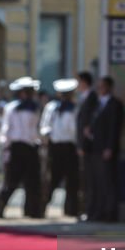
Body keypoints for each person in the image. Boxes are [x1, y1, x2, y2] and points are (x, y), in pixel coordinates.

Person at [0, 77, 43, 218]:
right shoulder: (11, 108)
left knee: (33, 181)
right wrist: (6, 148)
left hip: (30, 147)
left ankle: (32, 210)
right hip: (17, 147)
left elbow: (36, 129)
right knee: (11, 180)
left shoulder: (35, 108)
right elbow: (6, 129)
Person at [82, 76, 124, 222]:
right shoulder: (97, 104)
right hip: (95, 148)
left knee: (108, 183)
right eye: (98, 87)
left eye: (103, 86)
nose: (100, 89)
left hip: (106, 150)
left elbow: (114, 128)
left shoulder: (115, 104)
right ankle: (97, 212)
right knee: (97, 183)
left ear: (109, 87)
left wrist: (109, 148)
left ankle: (110, 213)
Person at [41, 78, 81, 217]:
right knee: (52, 179)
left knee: (72, 180)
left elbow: (76, 130)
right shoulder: (52, 107)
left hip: (70, 146)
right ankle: (42, 207)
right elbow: (45, 126)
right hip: (55, 146)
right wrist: (47, 138)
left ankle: (71, 210)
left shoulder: (75, 108)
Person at [75, 71, 98, 219]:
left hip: (89, 146)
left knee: (90, 179)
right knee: (85, 179)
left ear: (84, 82)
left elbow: (87, 124)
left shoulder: (91, 98)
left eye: (78, 82)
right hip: (84, 146)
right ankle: (86, 209)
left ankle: (90, 210)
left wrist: (82, 145)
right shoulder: (84, 98)